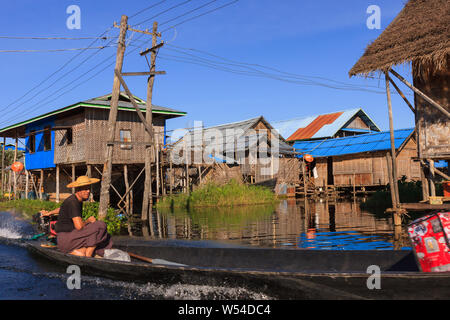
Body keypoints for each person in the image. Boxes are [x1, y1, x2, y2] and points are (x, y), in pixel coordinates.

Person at [41, 176, 112, 257]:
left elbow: (62, 208)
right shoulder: (73, 202)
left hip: (67, 238)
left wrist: (50, 212)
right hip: (66, 240)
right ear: (78, 190)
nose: (88, 191)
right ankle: (88, 255)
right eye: (85, 189)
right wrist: (88, 221)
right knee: (100, 225)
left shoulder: (75, 200)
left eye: (88, 189)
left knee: (106, 236)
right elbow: (79, 227)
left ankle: (83, 251)